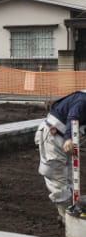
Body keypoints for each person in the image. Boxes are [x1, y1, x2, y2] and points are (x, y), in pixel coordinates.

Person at [36, 90, 86, 220]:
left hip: (66, 137)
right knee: (57, 177)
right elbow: (73, 117)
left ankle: (70, 210)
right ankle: (66, 218)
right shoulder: (83, 100)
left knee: (69, 177)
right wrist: (69, 138)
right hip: (54, 136)